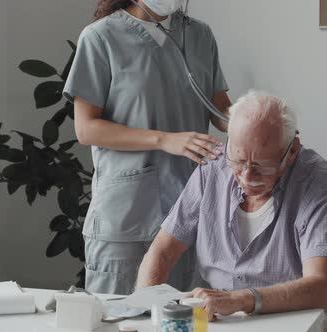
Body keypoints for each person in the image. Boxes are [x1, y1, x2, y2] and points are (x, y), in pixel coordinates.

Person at [136, 90, 327, 331]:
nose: (247, 176)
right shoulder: (213, 168)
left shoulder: (318, 183)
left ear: (291, 151)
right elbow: (162, 252)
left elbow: (320, 286)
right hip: (227, 313)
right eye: (237, 160)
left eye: (262, 165)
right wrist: (147, 312)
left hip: (304, 312)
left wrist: (241, 300)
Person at [63, 0, 232, 295]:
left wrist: (259, 120)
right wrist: (165, 139)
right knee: (118, 320)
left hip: (187, 209)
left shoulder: (200, 36)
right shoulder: (100, 37)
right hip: (126, 215)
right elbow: (86, 128)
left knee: (184, 320)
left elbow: (221, 112)